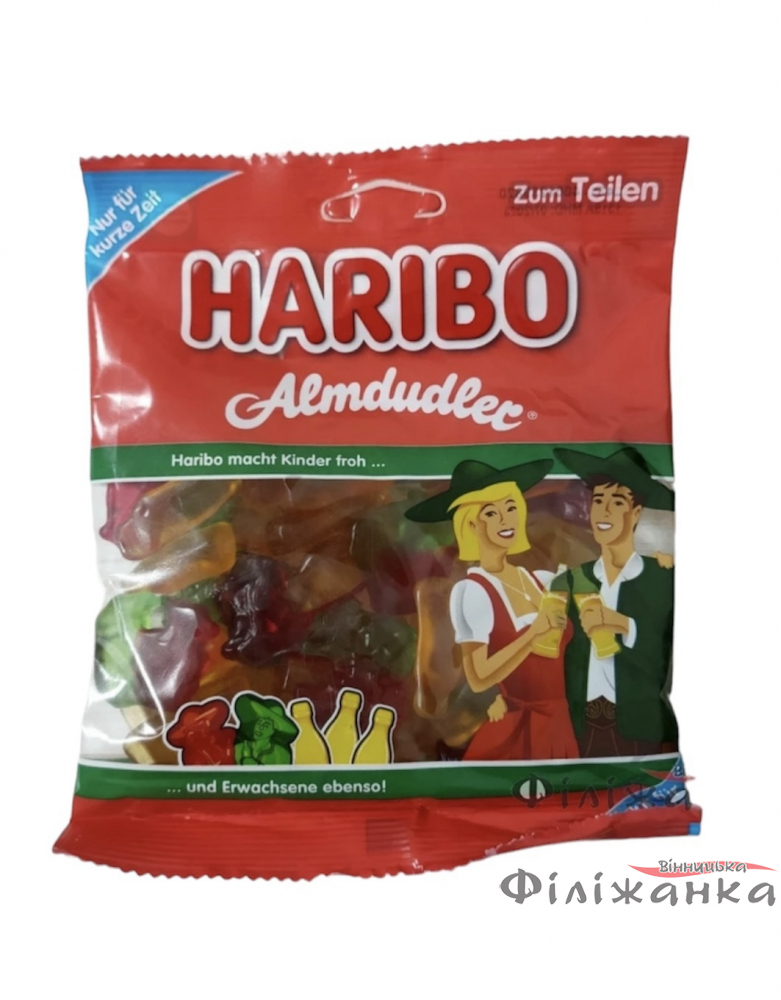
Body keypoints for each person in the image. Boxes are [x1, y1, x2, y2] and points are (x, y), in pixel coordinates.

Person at [405, 460, 579, 760]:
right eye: (490, 513)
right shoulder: (472, 591)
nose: (505, 520)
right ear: (471, 524)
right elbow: (479, 676)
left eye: (510, 508)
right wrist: (533, 635)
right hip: (521, 728)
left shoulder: (540, 579)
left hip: (562, 721)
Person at [552, 446, 677, 757]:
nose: (604, 511)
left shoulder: (661, 576)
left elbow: (667, 644)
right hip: (579, 727)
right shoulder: (571, 579)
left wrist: (623, 624)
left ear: (635, 513)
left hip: (640, 728)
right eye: (598, 501)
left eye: (617, 502)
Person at [233, 693, 299, 765]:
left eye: (266, 725)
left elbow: (282, 772)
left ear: (274, 730)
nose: (260, 727)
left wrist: (249, 761)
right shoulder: (238, 748)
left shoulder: (281, 753)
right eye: (259, 722)